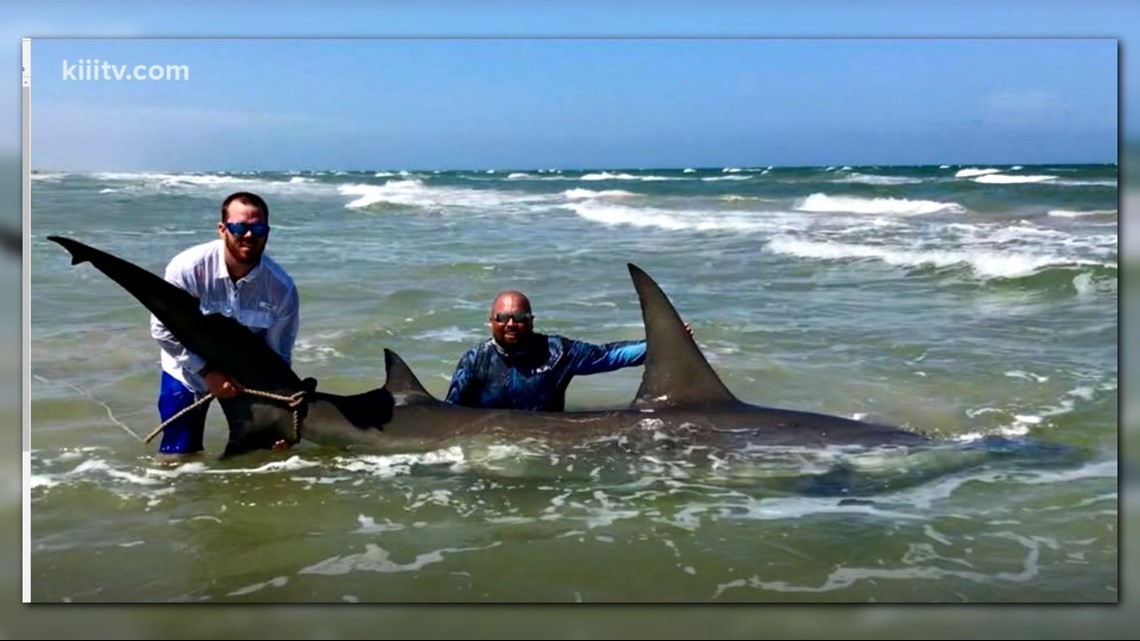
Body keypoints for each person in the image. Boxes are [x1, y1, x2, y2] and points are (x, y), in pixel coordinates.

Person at [149, 191, 299, 460]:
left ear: (268, 231)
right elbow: (162, 330)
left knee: (263, 457)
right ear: (222, 229)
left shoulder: (281, 288)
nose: (250, 235)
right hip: (190, 370)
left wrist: (281, 417)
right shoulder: (187, 268)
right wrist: (207, 372)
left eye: (258, 228)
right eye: (240, 227)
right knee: (179, 456)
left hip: (246, 381)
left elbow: (277, 358)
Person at [445, 289, 691, 412]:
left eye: (519, 317)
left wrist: (665, 344)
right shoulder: (474, 360)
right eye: (503, 317)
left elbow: (609, 356)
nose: (511, 323)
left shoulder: (557, 352)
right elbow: (450, 413)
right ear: (491, 321)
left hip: (543, 441)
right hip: (488, 442)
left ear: (531, 321)